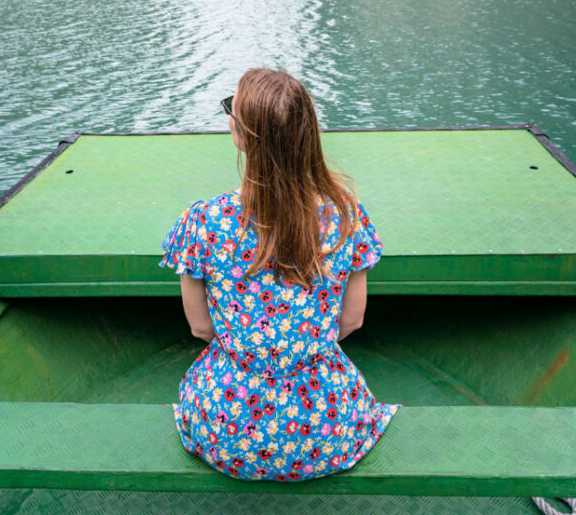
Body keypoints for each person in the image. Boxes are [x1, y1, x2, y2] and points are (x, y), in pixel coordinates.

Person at [159, 67, 398, 481]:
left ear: (241, 136)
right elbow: (352, 320)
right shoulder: (345, 217)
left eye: (231, 109)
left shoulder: (203, 221)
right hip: (328, 432)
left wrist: (255, 355)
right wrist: (299, 352)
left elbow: (201, 328)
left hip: (226, 433)